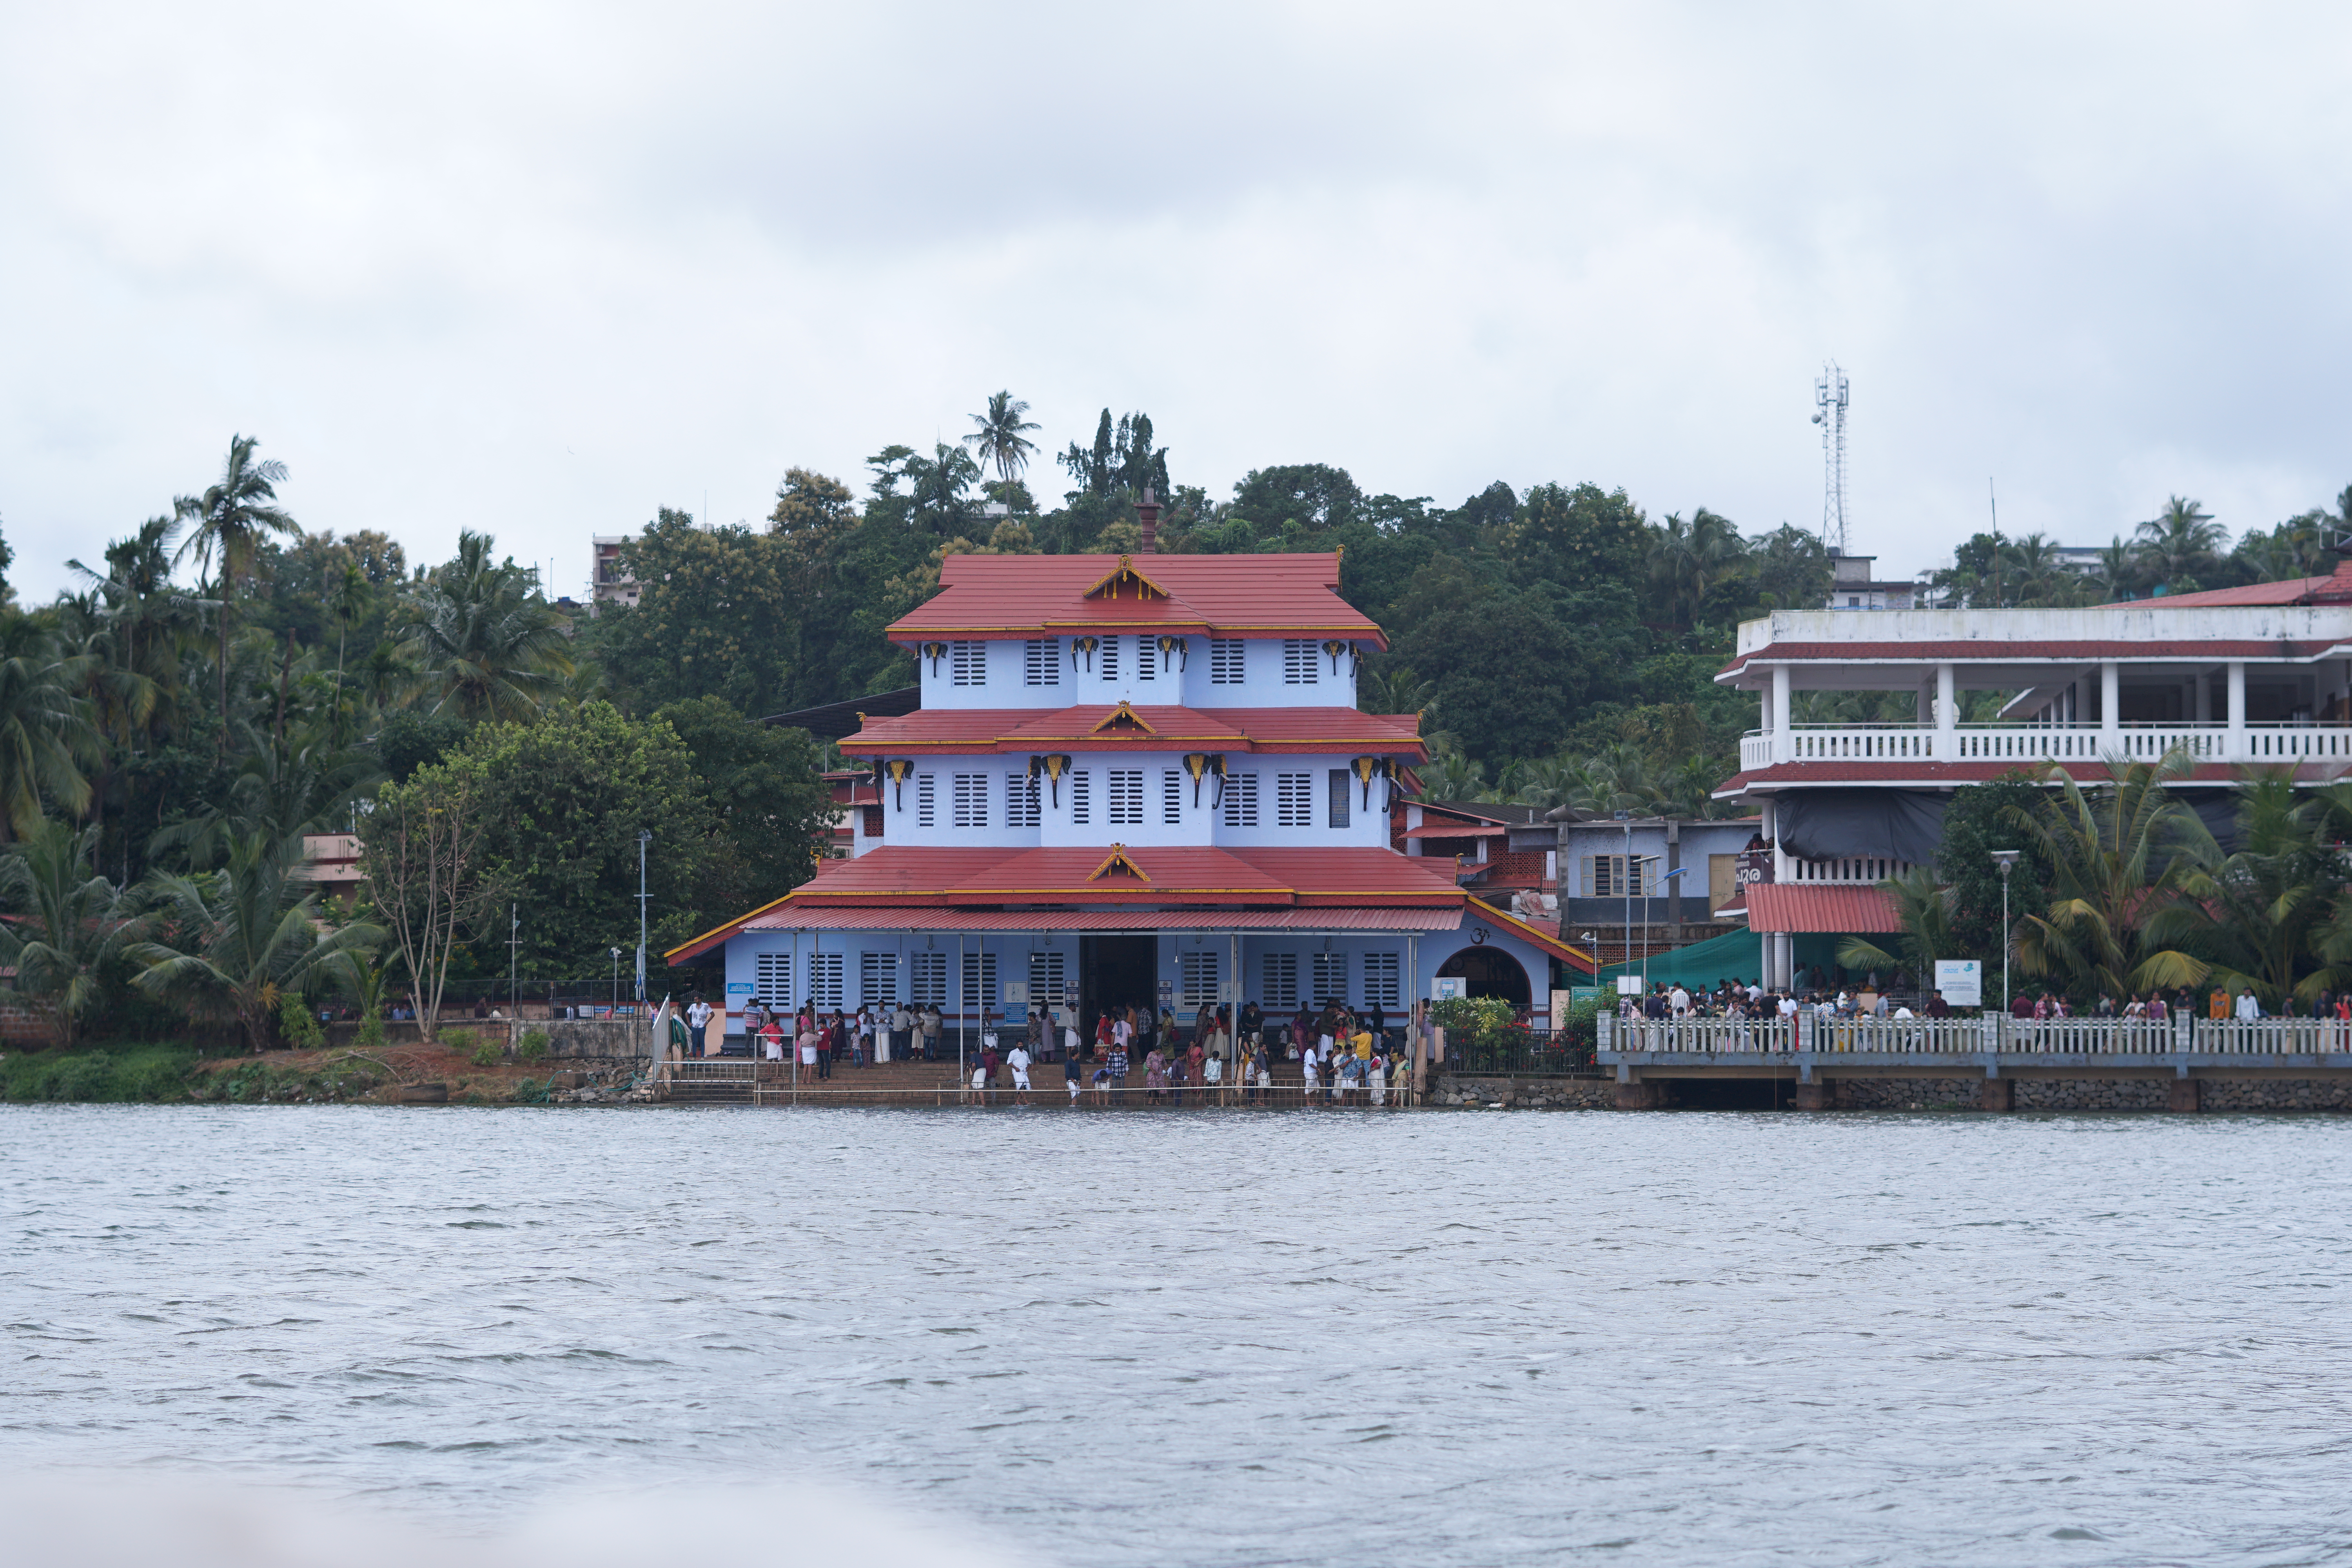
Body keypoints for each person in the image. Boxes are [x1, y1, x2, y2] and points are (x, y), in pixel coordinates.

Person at [1007, 1038, 1031, 1104]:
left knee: (1025, 1086)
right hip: (1017, 1071)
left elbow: (1029, 1062)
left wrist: (1028, 1067)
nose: (1021, 1045)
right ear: (1017, 1045)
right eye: (1019, 1044)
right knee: (1021, 1085)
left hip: (1024, 1072)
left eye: (1022, 1044)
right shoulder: (1013, 1052)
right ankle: (1026, 1101)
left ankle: (1018, 1101)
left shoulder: (1025, 1053)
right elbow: (1009, 1062)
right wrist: (1016, 1068)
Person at [1065, 1039, 1083, 1104]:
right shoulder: (1068, 1063)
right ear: (1075, 1055)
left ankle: (1074, 1106)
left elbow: (1079, 1071)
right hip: (1071, 1081)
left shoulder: (1077, 1062)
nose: (1079, 1055)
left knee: (1077, 1094)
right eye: (1078, 1054)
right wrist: (1073, 1080)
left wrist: (1080, 1080)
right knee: (1074, 1094)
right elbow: (1068, 1073)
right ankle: (1073, 1107)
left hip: (1077, 1080)